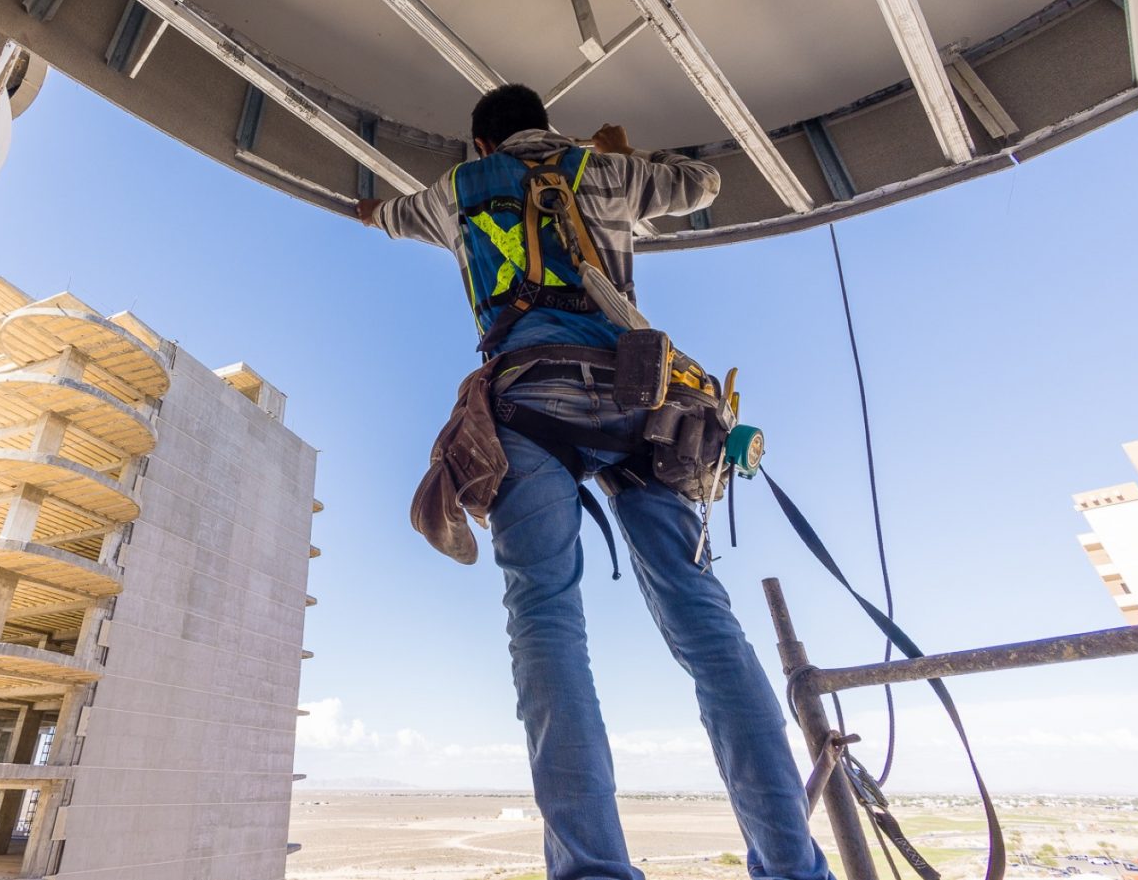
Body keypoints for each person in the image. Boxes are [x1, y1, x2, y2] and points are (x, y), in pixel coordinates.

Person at [356, 84, 833, 880]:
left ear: (481, 146)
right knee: (707, 627)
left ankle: (594, 870)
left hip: (529, 399)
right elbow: (703, 184)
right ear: (546, 125)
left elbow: (388, 214)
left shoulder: (455, 191)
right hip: (642, 403)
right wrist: (619, 155)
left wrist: (369, 210)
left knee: (546, 620)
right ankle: (794, 866)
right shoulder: (603, 170)